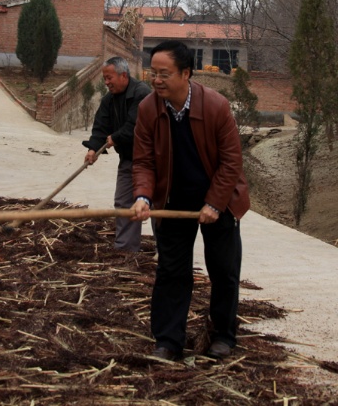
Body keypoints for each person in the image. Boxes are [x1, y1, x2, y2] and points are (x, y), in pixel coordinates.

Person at [130, 41, 250, 361]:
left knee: (223, 269)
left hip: (219, 199)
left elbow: (231, 162)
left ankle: (223, 335)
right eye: (152, 73)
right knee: (171, 271)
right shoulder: (147, 109)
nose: (156, 80)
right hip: (171, 202)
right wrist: (143, 195)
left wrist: (214, 203)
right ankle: (168, 341)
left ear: (185, 73)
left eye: (164, 74)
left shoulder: (215, 106)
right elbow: (143, 161)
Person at [83, 56, 151, 251]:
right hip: (128, 159)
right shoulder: (109, 100)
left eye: (109, 78)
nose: (106, 83)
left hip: (152, 161)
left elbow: (135, 125)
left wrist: (116, 137)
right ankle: (126, 250)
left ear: (123, 75)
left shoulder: (142, 93)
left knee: (156, 206)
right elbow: (100, 127)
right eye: (104, 78)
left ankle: (166, 251)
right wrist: (93, 149)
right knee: (123, 202)